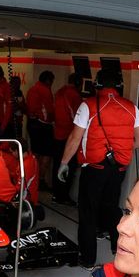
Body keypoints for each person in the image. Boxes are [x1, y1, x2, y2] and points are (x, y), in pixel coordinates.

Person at [59, 68, 139, 269]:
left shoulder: (87, 105)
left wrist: (64, 162)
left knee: (88, 212)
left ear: (97, 84)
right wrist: (120, 149)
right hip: (119, 168)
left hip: (94, 167)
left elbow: (75, 138)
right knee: (110, 207)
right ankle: (119, 247)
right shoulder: (131, 107)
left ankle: (88, 259)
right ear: (118, 85)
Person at [52, 74, 82, 205]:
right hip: (69, 137)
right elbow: (77, 118)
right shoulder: (74, 95)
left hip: (57, 134)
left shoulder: (59, 92)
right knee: (68, 168)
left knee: (57, 165)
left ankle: (55, 194)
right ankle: (62, 196)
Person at [26, 71, 56, 190]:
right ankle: (41, 180)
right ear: (48, 80)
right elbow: (49, 110)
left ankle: (32, 177)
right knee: (47, 154)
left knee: (35, 153)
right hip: (43, 125)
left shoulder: (32, 89)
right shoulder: (45, 90)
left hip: (32, 124)